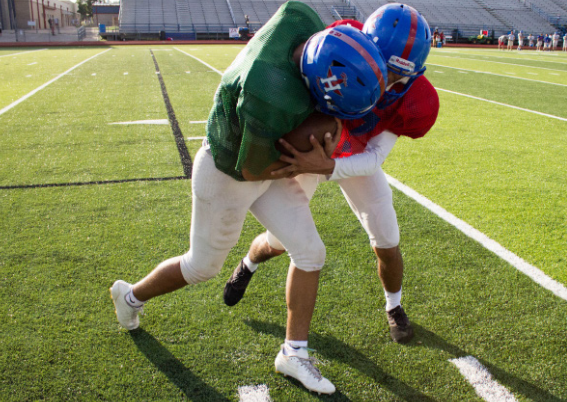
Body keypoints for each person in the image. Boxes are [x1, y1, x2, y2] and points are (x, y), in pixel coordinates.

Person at [109, 1, 387, 395]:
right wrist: (304, 162)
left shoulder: (301, 18)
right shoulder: (271, 95)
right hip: (230, 171)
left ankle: (293, 353)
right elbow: (254, 171)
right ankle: (131, 296)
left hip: (265, 153)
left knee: (311, 253)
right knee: (202, 266)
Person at [223, 4, 437, 346]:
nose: (391, 81)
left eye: (401, 75)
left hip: (353, 155)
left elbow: (376, 156)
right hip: (312, 145)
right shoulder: (339, 44)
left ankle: (394, 307)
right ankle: (248, 264)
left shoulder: (415, 98)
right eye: (386, 69)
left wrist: (330, 167)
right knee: (279, 242)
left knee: (387, 238)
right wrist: (308, 154)